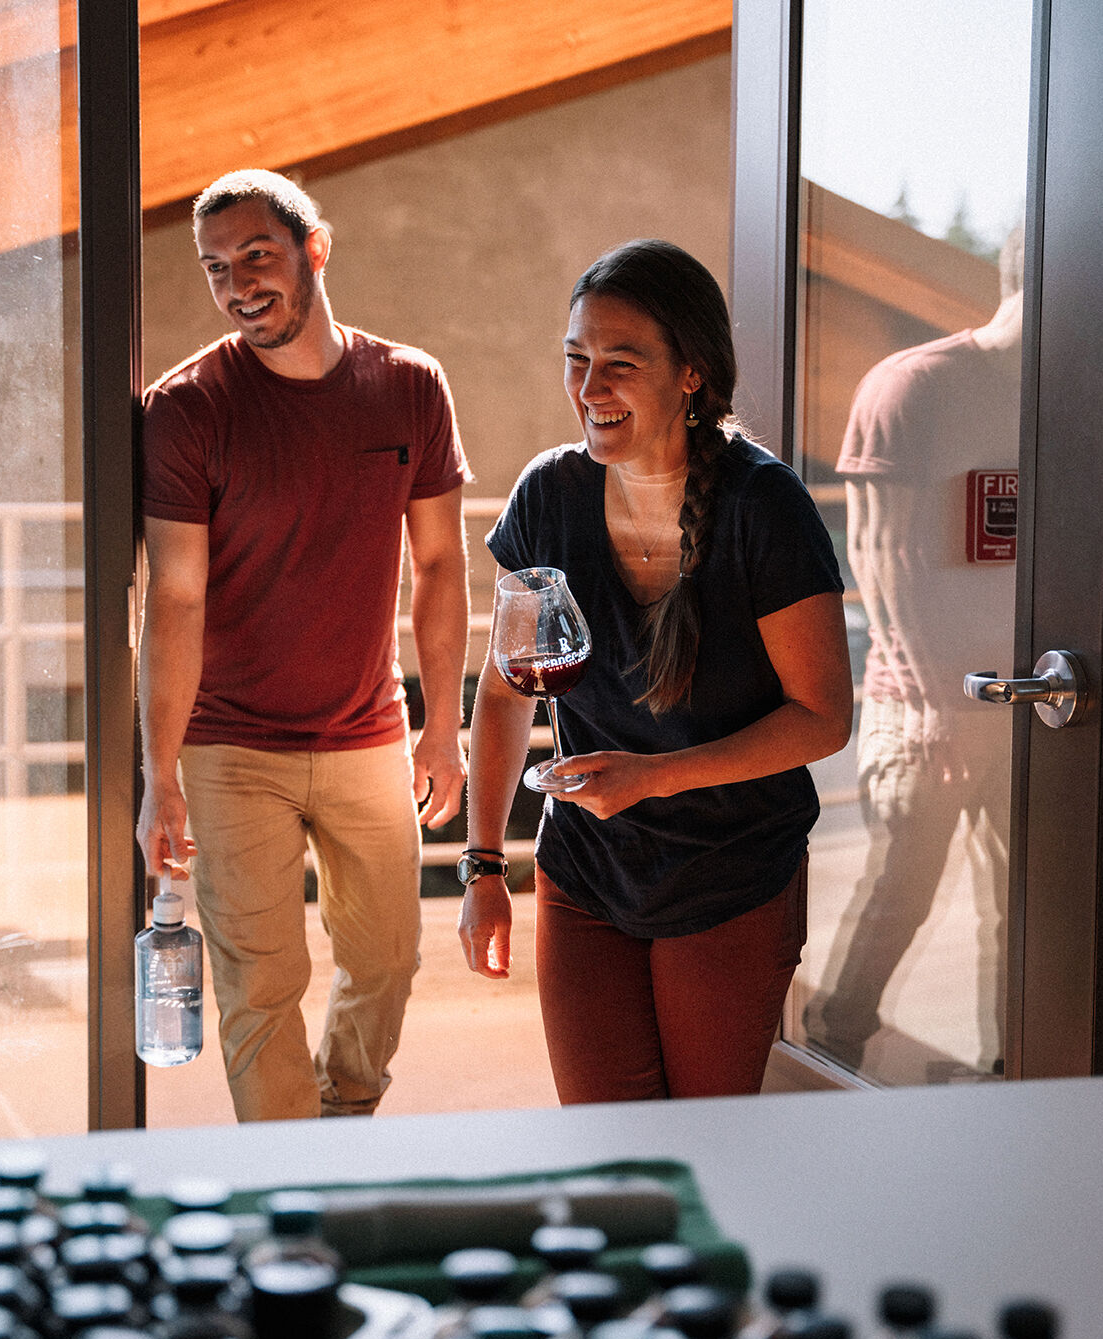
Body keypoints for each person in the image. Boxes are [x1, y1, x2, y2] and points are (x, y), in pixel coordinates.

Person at [457, 240, 853, 1102]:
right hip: (588, 871)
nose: (589, 388)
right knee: (609, 1155)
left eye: (620, 365)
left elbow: (823, 717)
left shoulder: (763, 507)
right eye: (577, 360)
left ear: (691, 375)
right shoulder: (547, 496)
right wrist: (483, 866)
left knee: (707, 1150)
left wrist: (656, 777)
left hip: (732, 874)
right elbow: (499, 691)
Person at [137, 169, 472, 1122]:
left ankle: (345, 1113)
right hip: (231, 747)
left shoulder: (409, 385)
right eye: (215, 268)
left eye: (257, 255)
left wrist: (438, 727)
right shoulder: (189, 407)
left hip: (369, 733)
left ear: (314, 249)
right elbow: (176, 595)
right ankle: (292, 1184)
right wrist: (161, 772)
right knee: (261, 984)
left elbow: (440, 569)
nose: (238, 283)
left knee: (389, 959)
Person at [802, 229, 1023, 1076]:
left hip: (1034, 695)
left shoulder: (1065, 390)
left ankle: (1018, 1074)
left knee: (1024, 905)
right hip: (925, 702)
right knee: (903, 894)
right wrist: (938, 708)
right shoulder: (916, 385)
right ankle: (824, 1058)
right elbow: (880, 554)